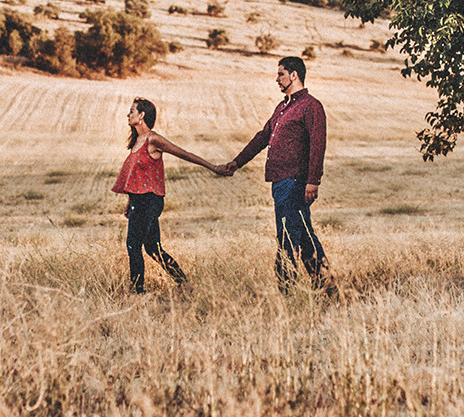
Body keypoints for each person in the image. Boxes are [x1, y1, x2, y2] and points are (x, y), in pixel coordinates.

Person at [222, 56, 328, 289]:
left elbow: (317, 145)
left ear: (294, 75)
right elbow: (263, 137)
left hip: (296, 182)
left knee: (287, 238)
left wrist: (313, 181)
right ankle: (324, 283)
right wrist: (237, 162)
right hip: (279, 182)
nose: (276, 78)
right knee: (301, 234)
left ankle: (287, 290)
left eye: (280, 74)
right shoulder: (282, 108)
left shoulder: (311, 106)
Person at [112, 97, 226, 293]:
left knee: (133, 245)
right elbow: (137, 177)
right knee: (153, 249)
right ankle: (185, 284)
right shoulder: (135, 142)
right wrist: (129, 201)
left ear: (142, 116)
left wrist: (213, 167)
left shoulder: (153, 139)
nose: (127, 115)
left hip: (149, 201)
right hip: (138, 201)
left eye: (131, 111)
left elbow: (184, 154)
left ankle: (137, 292)